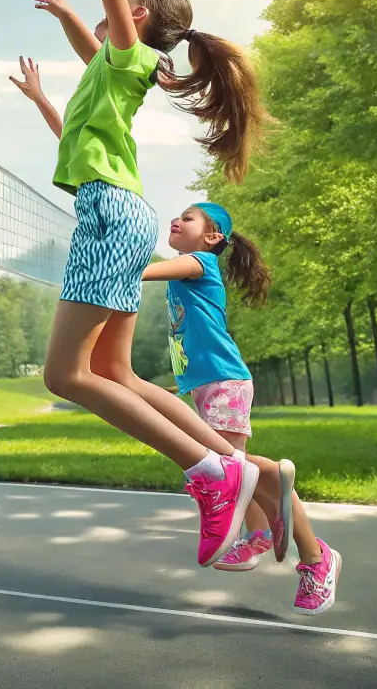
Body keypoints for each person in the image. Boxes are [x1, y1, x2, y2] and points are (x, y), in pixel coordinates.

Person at [19, 0, 338, 615]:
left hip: (110, 219)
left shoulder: (125, 56)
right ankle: (248, 484)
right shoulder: (114, 70)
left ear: (133, 18)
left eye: (114, 10)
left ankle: (212, 473)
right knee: (116, 374)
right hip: (119, 214)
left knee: (64, 376)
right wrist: (62, 27)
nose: (101, 18)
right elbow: (91, 50)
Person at [141, 203, 338, 614]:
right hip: (209, 384)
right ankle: (258, 533)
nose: (176, 220)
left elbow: (143, 272)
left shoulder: (199, 263)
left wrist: (113, 260)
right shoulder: (187, 271)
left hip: (224, 382)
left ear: (212, 238)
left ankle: (317, 556)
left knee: (233, 466)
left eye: (188, 218)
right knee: (231, 466)